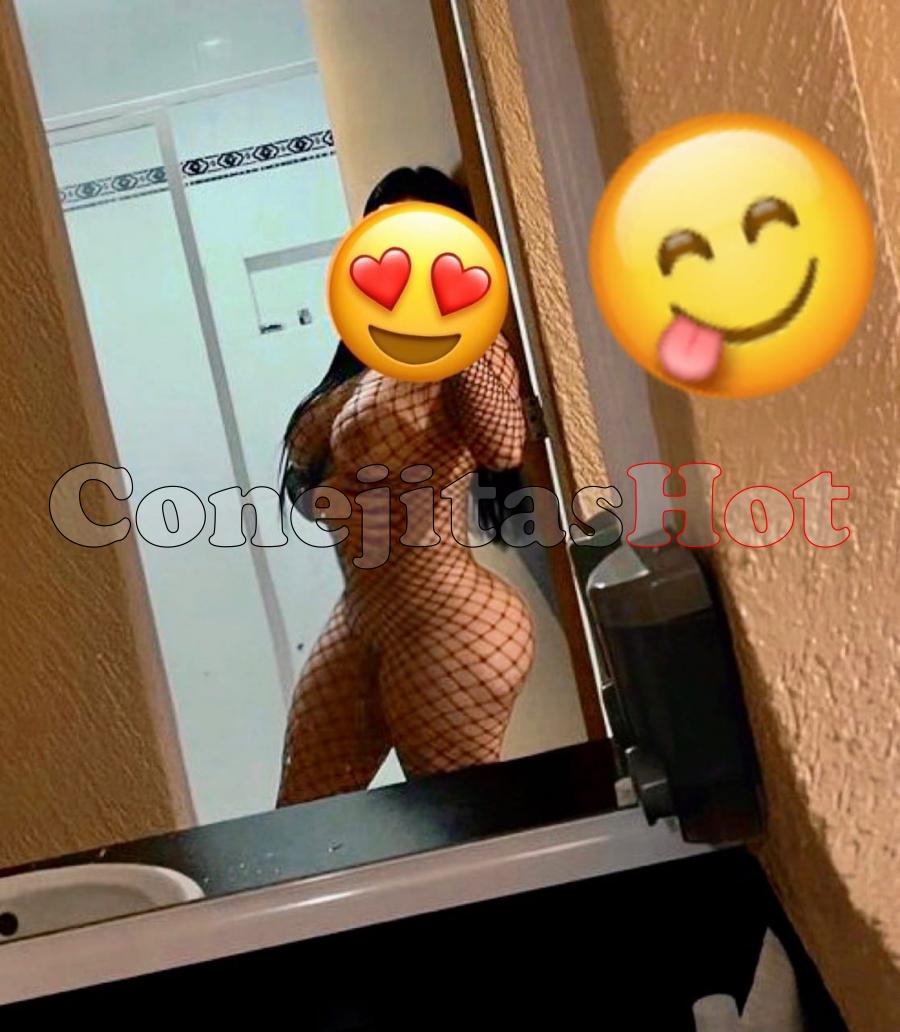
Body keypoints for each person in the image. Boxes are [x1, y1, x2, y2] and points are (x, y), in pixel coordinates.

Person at [277, 166, 535, 805]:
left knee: (460, 822)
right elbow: (304, 481)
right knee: (302, 816)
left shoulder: (468, 347)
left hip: (444, 615)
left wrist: (458, 327)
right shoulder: (359, 356)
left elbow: (504, 447)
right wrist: (327, 497)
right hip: (363, 615)